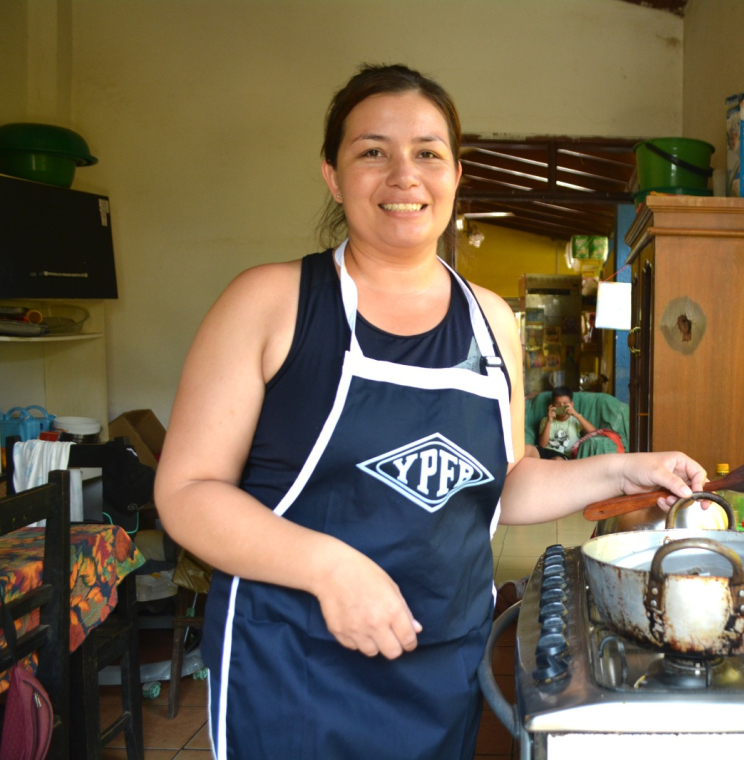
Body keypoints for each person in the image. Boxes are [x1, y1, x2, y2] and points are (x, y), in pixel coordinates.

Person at [153, 63, 707, 760]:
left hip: (442, 664)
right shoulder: (270, 303)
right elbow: (186, 492)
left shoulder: (491, 322)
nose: (403, 176)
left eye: (427, 153)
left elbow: (502, 481)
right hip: (294, 666)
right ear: (332, 175)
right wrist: (329, 568)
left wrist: (626, 471)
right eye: (372, 152)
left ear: (455, 174)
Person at [537, 386, 595, 456]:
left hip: (563, 457)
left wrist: (576, 414)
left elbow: (595, 433)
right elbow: (542, 445)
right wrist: (549, 421)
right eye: (557, 403)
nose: (562, 406)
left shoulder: (575, 419)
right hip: (546, 454)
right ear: (552, 405)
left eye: (565, 403)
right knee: (529, 448)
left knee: (557, 459)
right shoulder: (545, 420)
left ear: (572, 404)